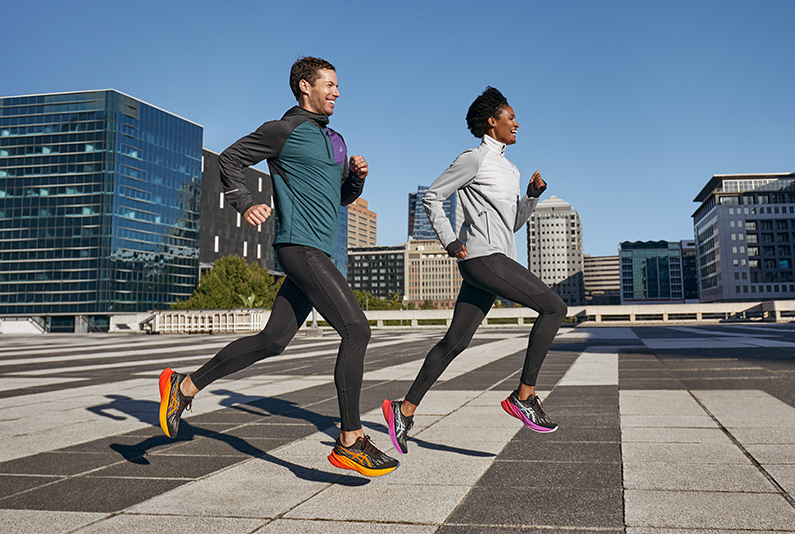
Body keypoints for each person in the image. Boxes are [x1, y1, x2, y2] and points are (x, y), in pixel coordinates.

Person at [158, 56, 398, 477]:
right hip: (298, 248)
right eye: (329, 84)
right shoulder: (282, 130)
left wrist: (357, 180)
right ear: (305, 87)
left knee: (272, 341)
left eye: (338, 85)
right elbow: (228, 160)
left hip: (319, 251)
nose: (337, 92)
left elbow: (337, 199)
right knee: (357, 330)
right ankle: (350, 440)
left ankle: (184, 385)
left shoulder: (337, 140)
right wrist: (245, 202)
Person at [382, 87, 567, 454]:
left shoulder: (510, 168)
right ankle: (524, 396)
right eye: (510, 117)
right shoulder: (474, 159)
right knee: (554, 308)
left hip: (496, 258)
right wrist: (450, 240)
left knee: (456, 341)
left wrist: (530, 196)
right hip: (482, 259)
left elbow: (510, 223)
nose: (517, 123)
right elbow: (432, 197)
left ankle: (403, 411)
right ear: (491, 122)